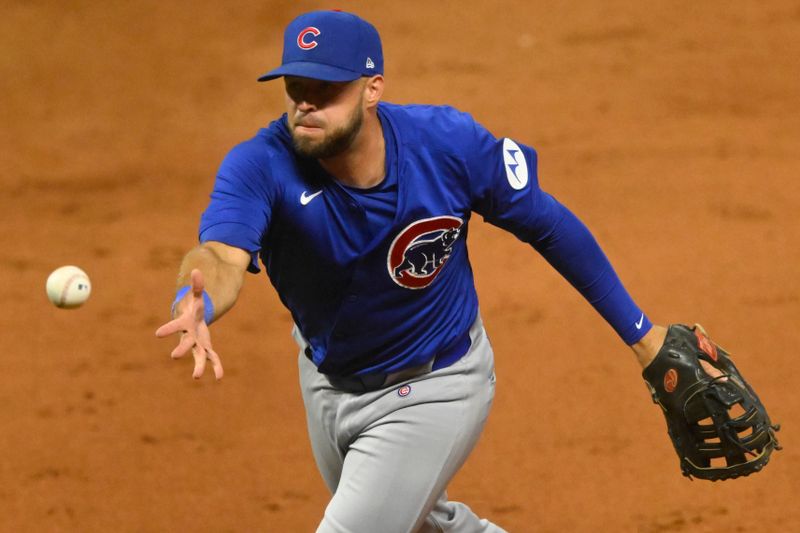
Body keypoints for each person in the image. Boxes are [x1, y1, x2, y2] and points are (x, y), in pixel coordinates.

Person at [156, 9, 678, 532]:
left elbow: (547, 224)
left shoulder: (446, 145)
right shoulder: (259, 165)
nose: (305, 103)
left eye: (325, 87)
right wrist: (196, 298)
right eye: (295, 86)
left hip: (437, 384)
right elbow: (222, 255)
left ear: (371, 88)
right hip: (326, 380)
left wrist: (642, 335)